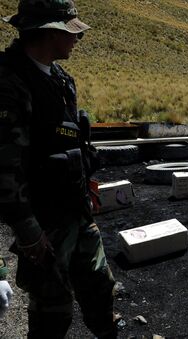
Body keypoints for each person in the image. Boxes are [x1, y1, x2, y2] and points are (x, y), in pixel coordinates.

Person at [0, 1, 117, 338]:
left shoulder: (63, 81)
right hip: (43, 224)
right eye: (71, 30)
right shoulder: (8, 83)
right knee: (52, 311)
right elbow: (4, 166)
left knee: (100, 289)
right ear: (50, 32)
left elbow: (71, 142)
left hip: (77, 212)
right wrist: (27, 229)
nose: (77, 39)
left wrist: (85, 181)